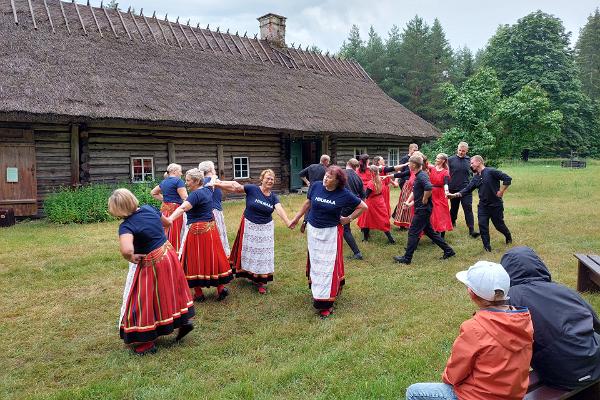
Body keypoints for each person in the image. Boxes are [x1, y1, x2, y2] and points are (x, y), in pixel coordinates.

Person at [405, 261, 533, 400]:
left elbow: (455, 373)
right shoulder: (523, 319)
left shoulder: (474, 328)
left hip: (480, 397)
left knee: (413, 392)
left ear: (471, 293)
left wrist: (448, 378)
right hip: (513, 394)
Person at [108, 188, 195, 355]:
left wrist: (131, 257)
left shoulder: (126, 226)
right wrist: (160, 241)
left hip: (152, 262)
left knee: (144, 298)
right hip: (168, 253)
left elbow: (126, 249)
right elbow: (168, 223)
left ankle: (146, 341)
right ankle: (183, 322)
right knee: (170, 290)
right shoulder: (149, 208)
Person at [501, 246, 600, 390]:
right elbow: (595, 321)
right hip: (594, 361)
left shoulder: (510, 299)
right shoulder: (564, 290)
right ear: (539, 264)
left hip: (559, 373)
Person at [290, 166, 368, 318]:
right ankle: (317, 290)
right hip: (313, 231)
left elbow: (363, 206)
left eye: (330, 177)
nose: (325, 178)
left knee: (327, 266)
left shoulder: (343, 194)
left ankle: (326, 302)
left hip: (330, 234)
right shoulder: (316, 186)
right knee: (316, 262)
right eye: (326, 175)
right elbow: (308, 204)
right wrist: (297, 218)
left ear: (337, 181)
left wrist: (348, 219)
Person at [220, 169, 293, 294]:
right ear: (262, 179)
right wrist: (217, 183)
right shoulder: (252, 189)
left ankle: (260, 281)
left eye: (272, 179)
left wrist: (287, 222)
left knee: (263, 255)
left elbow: (279, 209)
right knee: (247, 251)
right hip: (249, 226)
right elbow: (235, 187)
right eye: (267, 178)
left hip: (265, 229)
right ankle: (244, 273)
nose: (269, 181)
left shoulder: (273, 197)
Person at [168, 168, 233, 302]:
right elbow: (212, 181)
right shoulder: (208, 190)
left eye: (188, 180)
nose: (186, 183)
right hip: (211, 230)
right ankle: (220, 289)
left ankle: (198, 294)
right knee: (213, 257)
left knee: (194, 260)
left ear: (197, 181)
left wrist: (169, 219)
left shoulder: (194, 195)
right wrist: (214, 177)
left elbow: (182, 208)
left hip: (197, 231)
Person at [393, 155, 455, 265]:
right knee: (431, 233)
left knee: (412, 232)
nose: (408, 165)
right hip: (423, 209)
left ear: (413, 165)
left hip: (422, 210)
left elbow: (429, 187)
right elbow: (417, 191)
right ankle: (449, 251)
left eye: (409, 163)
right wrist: (410, 203)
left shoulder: (421, 176)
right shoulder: (419, 175)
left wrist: (425, 198)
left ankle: (407, 258)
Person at [448, 155, 512, 252]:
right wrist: (454, 195)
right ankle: (487, 247)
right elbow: (467, 189)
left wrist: (501, 191)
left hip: (495, 205)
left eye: (472, 163)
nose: (471, 165)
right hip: (483, 206)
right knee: (482, 226)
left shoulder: (491, 171)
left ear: (479, 162)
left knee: (499, 225)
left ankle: (508, 236)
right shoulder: (476, 177)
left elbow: (507, 178)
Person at [150, 163, 188, 252]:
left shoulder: (164, 181)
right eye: (180, 171)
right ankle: (176, 251)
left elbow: (153, 192)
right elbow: (185, 197)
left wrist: (165, 199)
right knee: (176, 230)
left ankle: (163, 249)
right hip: (176, 209)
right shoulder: (178, 181)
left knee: (165, 229)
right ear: (174, 171)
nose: (181, 173)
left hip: (164, 208)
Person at [198, 160, 230, 257]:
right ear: (211, 169)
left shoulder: (201, 182)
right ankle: (220, 256)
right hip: (214, 212)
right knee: (218, 234)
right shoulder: (214, 180)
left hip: (205, 212)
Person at [357, 165, 395, 244]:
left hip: (372, 202)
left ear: (372, 172)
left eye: (369, 171)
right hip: (380, 200)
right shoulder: (380, 179)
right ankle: (391, 239)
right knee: (382, 219)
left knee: (366, 219)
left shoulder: (371, 183)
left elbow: (366, 195)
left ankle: (365, 239)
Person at [448, 142, 479, 238]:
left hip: (466, 189)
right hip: (453, 188)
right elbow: (445, 173)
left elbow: (475, 171)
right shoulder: (450, 160)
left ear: (467, 151)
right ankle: (452, 222)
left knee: (468, 207)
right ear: (457, 149)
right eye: (460, 150)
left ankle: (471, 230)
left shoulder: (470, 160)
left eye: (463, 151)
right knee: (454, 208)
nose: (461, 152)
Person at [343, 158, 365, 260]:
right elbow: (363, 195)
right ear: (356, 167)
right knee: (340, 227)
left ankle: (357, 253)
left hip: (344, 205)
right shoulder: (358, 177)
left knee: (345, 229)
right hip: (355, 205)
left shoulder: (342, 174)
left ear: (347, 164)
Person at [428, 153, 453, 237]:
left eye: (438, 158)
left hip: (441, 194)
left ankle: (442, 234)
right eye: (436, 158)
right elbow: (424, 163)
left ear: (443, 161)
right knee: (433, 213)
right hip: (432, 193)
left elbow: (446, 183)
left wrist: (447, 192)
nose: (436, 159)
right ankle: (435, 232)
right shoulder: (432, 169)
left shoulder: (445, 172)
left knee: (441, 214)